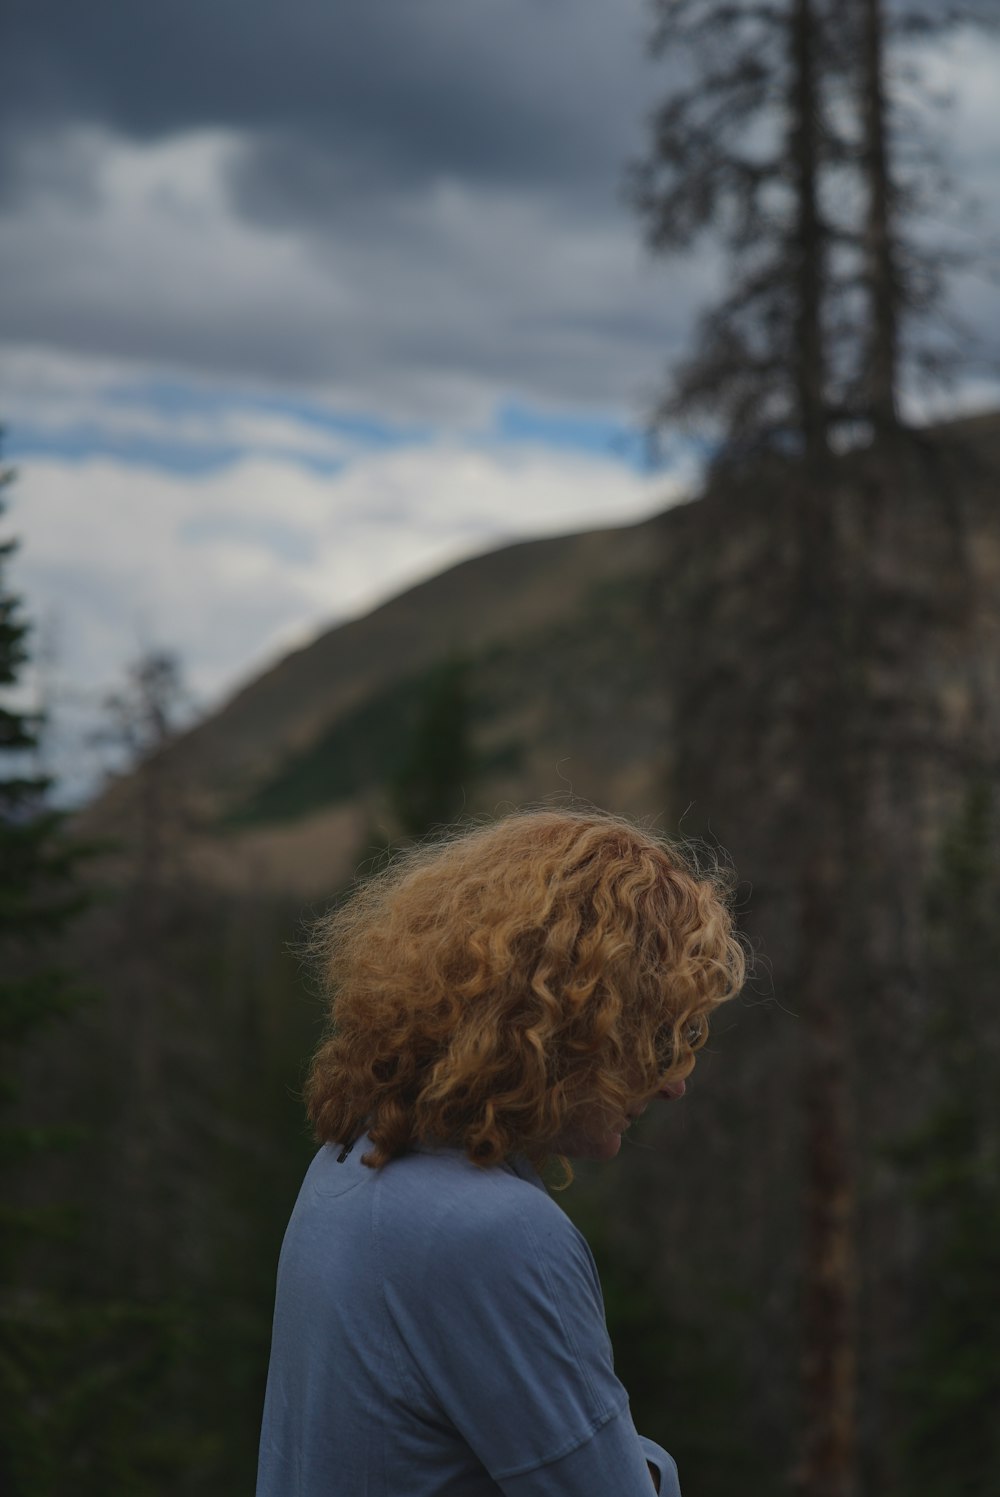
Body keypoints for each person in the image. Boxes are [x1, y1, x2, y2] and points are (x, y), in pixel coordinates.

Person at [256, 809, 746, 1496]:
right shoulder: (497, 1232)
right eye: (652, 1039)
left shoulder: (355, 1158)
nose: (674, 1080)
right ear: (564, 1026)